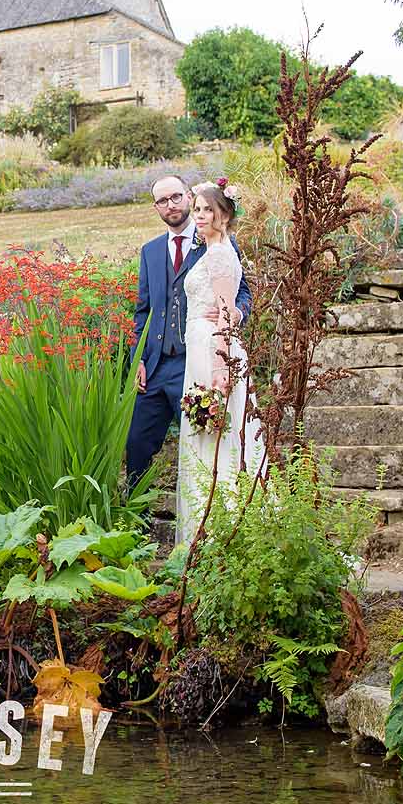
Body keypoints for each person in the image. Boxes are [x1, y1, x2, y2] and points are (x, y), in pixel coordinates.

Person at [125, 175, 252, 491]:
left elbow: (242, 291)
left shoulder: (215, 239)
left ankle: (213, 516)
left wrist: (236, 314)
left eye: (176, 197)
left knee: (205, 444)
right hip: (156, 367)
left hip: (197, 361)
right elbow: (143, 311)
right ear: (156, 207)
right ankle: (135, 525)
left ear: (188, 196)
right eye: (162, 200)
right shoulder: (150, 251)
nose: (171, 205)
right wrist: (137, 358)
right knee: (136, 442)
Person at [174, 181, 265, 548]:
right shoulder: (210, 248)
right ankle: (205, 530)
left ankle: (224, 532)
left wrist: (220, 367)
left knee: (218, 438)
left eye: (207, 210)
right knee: (206, 437)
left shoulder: (219, 253)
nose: (199, 215)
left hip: (214, 353)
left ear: (224, 215)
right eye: (196, 209)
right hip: (200, 351)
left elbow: (227, 312)